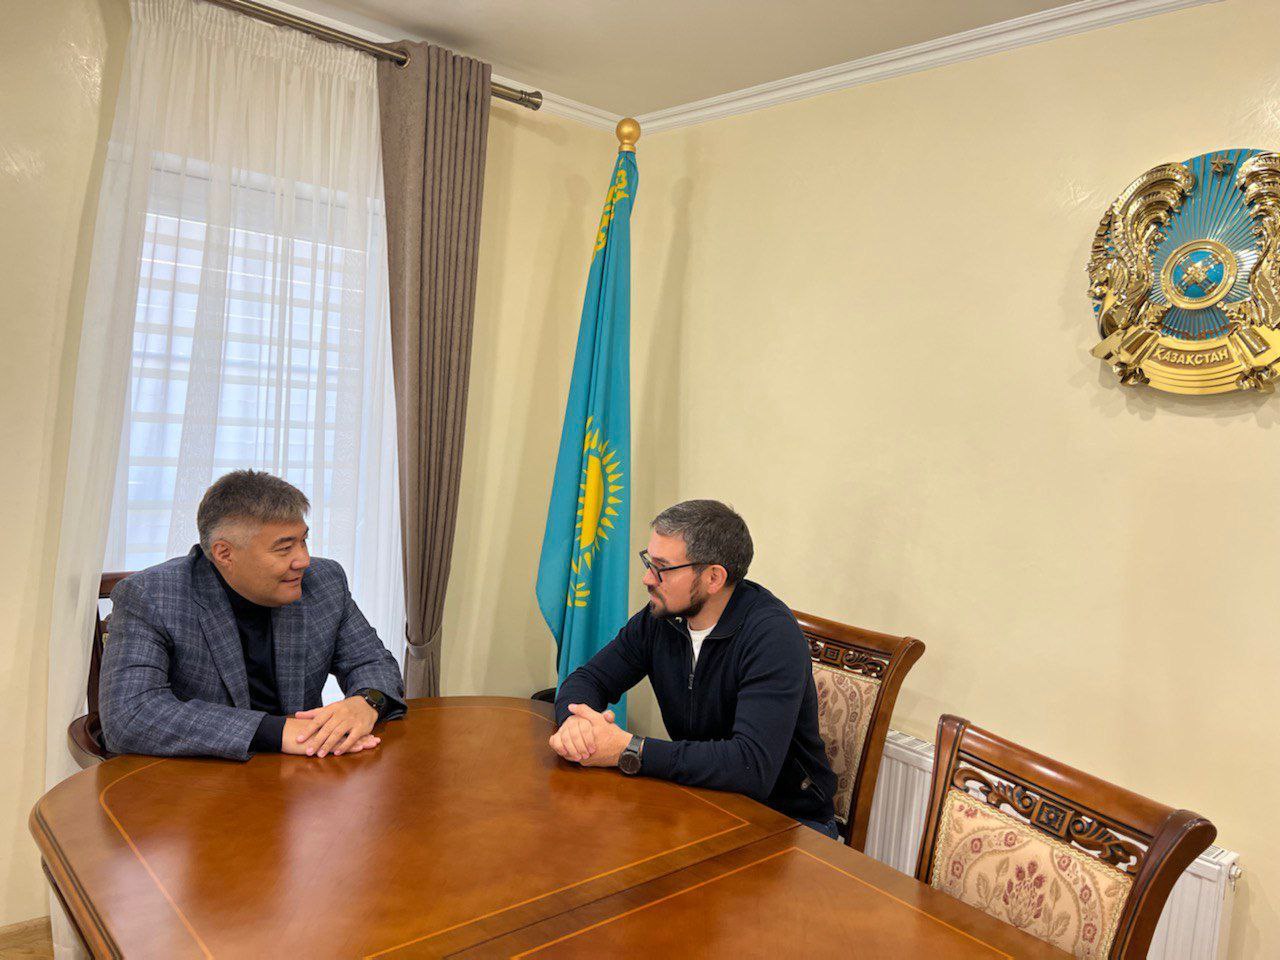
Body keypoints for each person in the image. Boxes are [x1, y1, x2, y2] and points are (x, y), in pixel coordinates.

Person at [549, 499, 839, 837]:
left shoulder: (771, 635)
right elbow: (589, 678)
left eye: (661, 567)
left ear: (713, 577)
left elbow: (750, 767)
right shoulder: (662, 618)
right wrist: (576, 724)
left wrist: (630, 750)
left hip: (786, 824)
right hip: (703, 802)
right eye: (648, 561)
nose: (647, 578)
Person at [100, 469, 405, 760]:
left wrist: (365, 702)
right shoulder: (151, 596)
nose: (304, 560)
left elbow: (373, 662)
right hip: (196, 783)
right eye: (284, 548)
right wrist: (275, 731)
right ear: (224, 553)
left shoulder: (324, 581)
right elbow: (130, 714)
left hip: (304, 773)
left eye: (303, 540)